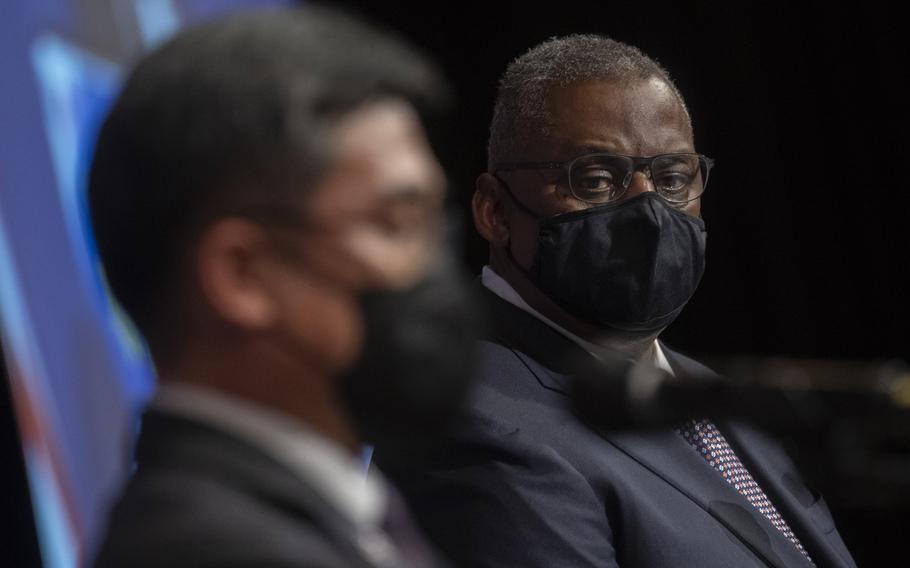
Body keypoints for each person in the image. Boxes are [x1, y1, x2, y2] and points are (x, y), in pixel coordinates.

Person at [375, 35, 857, 568]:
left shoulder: (713, 396)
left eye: (674, 178)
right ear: (494, 211)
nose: (650, 212)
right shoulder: (470, 427)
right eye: (598, 179)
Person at [88, 7, 476, 568]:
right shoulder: (219, 550)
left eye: (433, 221)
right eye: (394, 225)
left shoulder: (329, 508)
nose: (433, 263)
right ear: (242, 275)